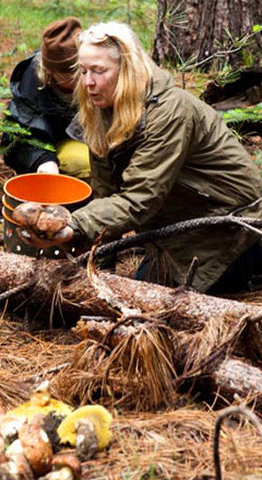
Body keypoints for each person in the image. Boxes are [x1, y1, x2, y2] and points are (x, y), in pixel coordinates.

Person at [16, 21, 262, 294]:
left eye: (98, 71)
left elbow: (141, 198)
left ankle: (249, 268)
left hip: (230, 226)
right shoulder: (102, 106)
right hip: (173, 227)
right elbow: (106, 194)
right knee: (116, 294)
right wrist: (97, 265)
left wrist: (74, 225)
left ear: (128, 70)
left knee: (145, 302)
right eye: (83, 71)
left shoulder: (171, 112)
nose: (87, 82)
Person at [1, 17, 90, 181]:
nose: (84, 81)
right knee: (79, 162)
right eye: (71, 76)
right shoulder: (31, 82)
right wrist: (44, 161)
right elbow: (18, 135)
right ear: (50, 72)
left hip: (98, 142)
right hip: (57, 146)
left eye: (84, 71)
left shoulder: (100, 69)